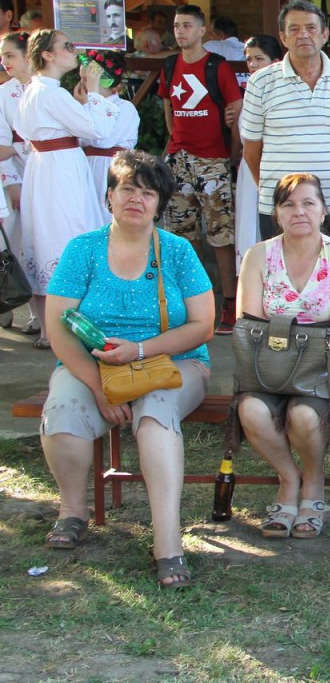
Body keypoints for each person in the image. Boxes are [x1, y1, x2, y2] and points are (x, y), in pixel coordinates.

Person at [40, 151, 214, 588]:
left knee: (155, 417)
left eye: (148, 193)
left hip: (173, 363)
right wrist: (99, 387)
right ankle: (72, 511)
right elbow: (58, 326)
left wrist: (139, 350)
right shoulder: (82, 249)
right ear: (109, 197)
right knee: (63, 411)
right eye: (128, 189)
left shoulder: (178, 251)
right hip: (93, 364)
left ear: (160, 204)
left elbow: (203, 326)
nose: (137, 199)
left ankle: (168, 544)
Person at [233, 173, 330, 539]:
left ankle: (314, 483)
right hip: (268, 367)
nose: (299, 212)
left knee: (304, 415)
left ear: (323, 211)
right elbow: (249, 324)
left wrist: (286, 338)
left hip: (326, 367)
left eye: (308, 203)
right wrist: (307, 337)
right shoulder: (258, 256)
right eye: (288, 204)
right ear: (276, 213)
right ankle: (289, 479)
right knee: (251, 411)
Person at [15, 29, 118, 350]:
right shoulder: (52, 93)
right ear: (47, 55)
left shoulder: (34, 90)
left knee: (46, 236)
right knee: (69, 231)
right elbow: (98, 130)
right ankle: (71, 327)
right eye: (67, 46)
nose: (74, 51)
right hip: (61, 170)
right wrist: (94, 93)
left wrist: (80, 103)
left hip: (43, 167)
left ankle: (49, 329)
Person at [240, 0, 330, 250]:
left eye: (311, 28)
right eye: (294, 29)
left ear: (325, 34)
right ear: (283, 37)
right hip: (281, 206)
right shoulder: (260, 82)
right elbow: (251, 151)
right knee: (282, 274)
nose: (303, 35)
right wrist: (279, 192)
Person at [159, 4, 244, 335]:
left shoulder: (216, 66)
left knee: (222, 235)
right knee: (183, 235)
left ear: (201, 30)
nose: (180, 31)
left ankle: (230, 301)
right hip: (179, 161)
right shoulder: (169, 65)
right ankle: (194, 300)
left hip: (213, 161)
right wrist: (175, 143)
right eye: (176, 25)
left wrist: (231, 155)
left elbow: (235, 108)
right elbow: (169, 107)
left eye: (187, 25)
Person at [234, 35, 284, 270]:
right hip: (250, 165)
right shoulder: (249, 93)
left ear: (275, 62)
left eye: (259, 59)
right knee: (249, 224)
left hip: (272, 165)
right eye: (249, 59)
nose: (253, 65)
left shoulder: (281, 94)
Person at [0, 31, 33, 334]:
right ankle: (7, 301)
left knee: (41, 242)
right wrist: (10, 181)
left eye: (10, 55)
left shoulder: (48, 86)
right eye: (2, 57)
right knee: (12, 242)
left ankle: (40, 312)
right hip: (14, 176)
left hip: (48, 172)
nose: (4, 62)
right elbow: (1, 145)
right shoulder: (3, 93)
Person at [81, 49, 140, 213]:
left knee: (107, 212)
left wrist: (92, 98)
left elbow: (102, 139)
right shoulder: (84, 106)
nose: (82, 84)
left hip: (111, 168)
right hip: (87, 167)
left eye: (86, 79)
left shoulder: (125, 108)